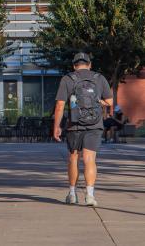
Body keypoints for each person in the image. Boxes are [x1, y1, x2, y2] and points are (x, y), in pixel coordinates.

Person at [53, 52, 113, 207]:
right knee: (89, 159)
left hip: (74, 124)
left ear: (74, 65)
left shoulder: (68, 79)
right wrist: (98, 101)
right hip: (94, 124)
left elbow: (60, 105)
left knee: (73, 158)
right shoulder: (99, 78)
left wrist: (56, 127)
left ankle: (72, 194)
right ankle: (90, 195)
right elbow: (110, 101)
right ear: (90, 64)